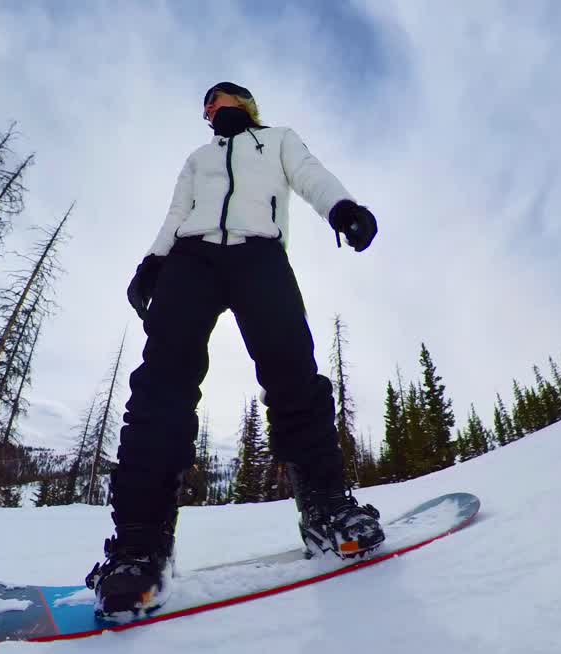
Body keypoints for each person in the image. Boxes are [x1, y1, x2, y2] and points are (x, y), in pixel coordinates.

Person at [84, 81, 384, 617]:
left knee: (293, 373)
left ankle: (326, 510)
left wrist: (341, 208)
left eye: (221, 97)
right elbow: (178, 212)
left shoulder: (278, 141)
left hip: (260, 257)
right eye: (205, 101)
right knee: (161, 387)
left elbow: (311, 175)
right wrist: (152, 262)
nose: (211, 105)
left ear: (246, 104)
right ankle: (140, 546)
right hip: (191, 262)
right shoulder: (198, 157)